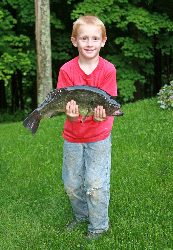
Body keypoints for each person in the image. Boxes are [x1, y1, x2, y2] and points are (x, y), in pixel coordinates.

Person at [56, 15, 118, 239]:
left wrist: (101, 117)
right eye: (84, 38)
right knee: (72, 184)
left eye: (94, 38)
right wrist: (72, 117)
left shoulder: (108, 70)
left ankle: (99, 226)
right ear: (74, 41)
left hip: (99, 136)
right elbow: (65, 104)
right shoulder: (66, 70)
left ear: (103, 41)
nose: (89, 43)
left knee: (95, 183)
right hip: (72, 136)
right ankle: (81, 215)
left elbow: (108, 104)